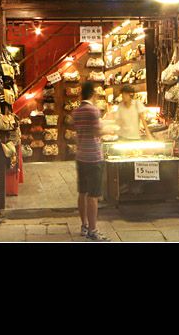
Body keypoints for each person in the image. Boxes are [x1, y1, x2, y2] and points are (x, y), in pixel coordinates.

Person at [73, 80, 109, 241]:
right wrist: (110, 129)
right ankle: (93, 230)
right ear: (93, 94)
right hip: (93, 157)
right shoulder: (93, 111)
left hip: (81, 155)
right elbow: (97, 132)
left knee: (82, 192)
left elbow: (79, 133)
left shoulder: (77, 112)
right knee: (93, 195)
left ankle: (84, 225)